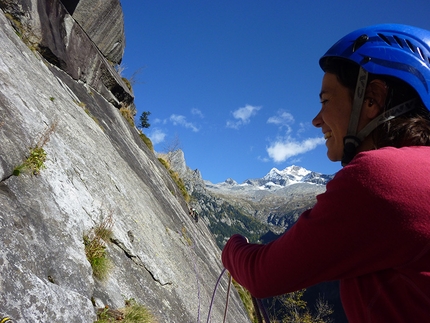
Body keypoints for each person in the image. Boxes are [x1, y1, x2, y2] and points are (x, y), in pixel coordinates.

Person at [222, 24, 430, 323]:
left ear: (372, 99)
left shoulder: (383, 177)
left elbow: (262, 275)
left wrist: (232, 247)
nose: (316, 120)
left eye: (326, 101)